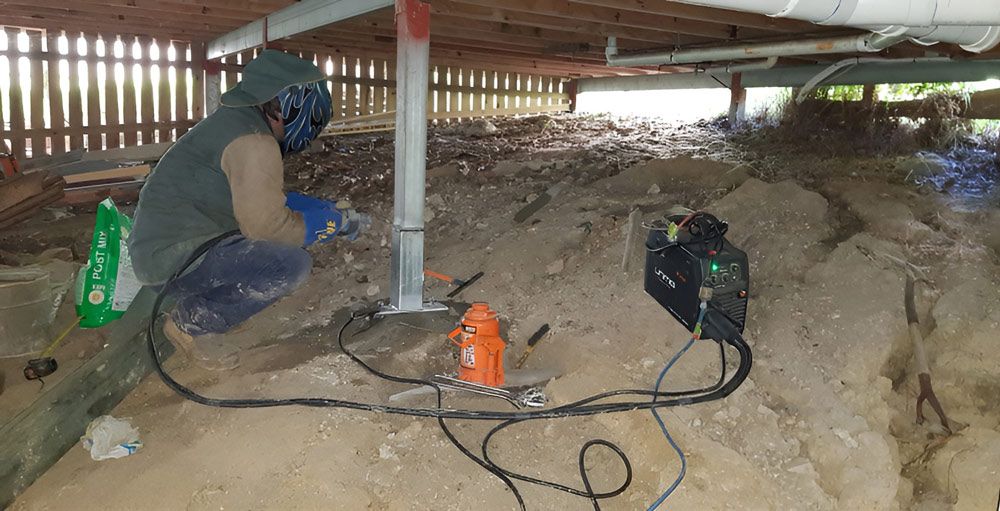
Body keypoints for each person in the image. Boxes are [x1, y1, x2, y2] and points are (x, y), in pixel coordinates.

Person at [128, 50, 369, 370]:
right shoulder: (254, 142)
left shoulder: (238, 124)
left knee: (269, 254)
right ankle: (191, 321)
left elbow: (256, 196)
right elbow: (267, 227)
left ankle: (212, 303)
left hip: (168, 247)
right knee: (288, 265)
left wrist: (318, 207)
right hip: (172, 258)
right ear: (283, 108)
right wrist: (324, 224)